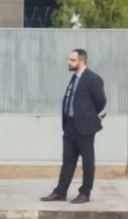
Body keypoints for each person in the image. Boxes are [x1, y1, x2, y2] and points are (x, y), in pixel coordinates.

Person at [41, 49, 107, 204]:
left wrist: (91, 115)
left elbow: (101, 101)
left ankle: (85, 193)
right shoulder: (74, 78)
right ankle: (60, 192)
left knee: (87, 162)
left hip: (85, 127)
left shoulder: (93, 79)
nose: (68, 62)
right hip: (70, 126)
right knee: (68, 161)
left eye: (72, 60)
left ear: (81, 61)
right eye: (68, 59)